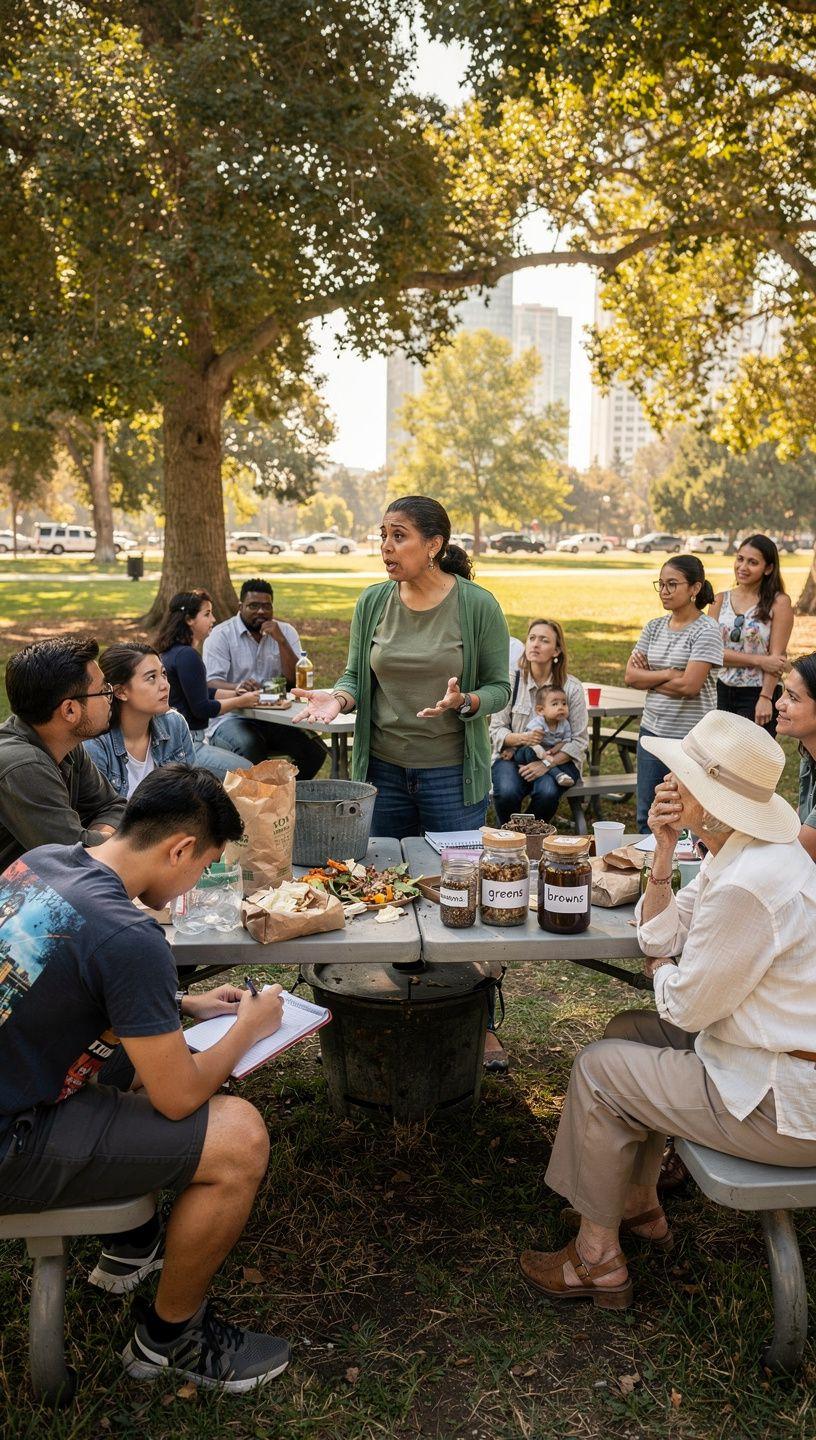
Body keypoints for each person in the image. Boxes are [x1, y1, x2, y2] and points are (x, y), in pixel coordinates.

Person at [0, 765, 291, 1392]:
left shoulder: (46, 860)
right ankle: (168, 1341)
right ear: (180, 849)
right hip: (10, 1143)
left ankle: (132, 1241)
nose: (194, 883)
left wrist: (180, 1005)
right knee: (238, 1136)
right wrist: (249, 1027)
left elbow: (52, 972)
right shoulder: (131, 936)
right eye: (203, 865)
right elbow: (181, 1095)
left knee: (145, 1055)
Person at [520, 710, 816, 1309]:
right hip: (763, 1061)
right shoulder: (738, 852)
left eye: (683, 776)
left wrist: (663, 973)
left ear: (709, 799)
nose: (668, 783)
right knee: (629, 1030)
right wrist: (661, 851)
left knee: (601, 1069)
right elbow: (664, 936)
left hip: (785, 1101)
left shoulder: (748, 884)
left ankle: (597, 1260)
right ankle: (638, 1206)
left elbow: (682, 1006)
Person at [292, 495, 510, 837]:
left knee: (454, 881)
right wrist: (338, 699)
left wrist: (465, 701)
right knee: (383, 881)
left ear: (433, 545)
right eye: (383, 536)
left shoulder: (478, 605)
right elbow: (355, 676)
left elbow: (500, 688)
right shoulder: (372, 601)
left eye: (399, 536)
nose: (386, 547)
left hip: (452, 777)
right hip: (383, 773)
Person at [0, 636, 126, 872]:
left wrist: (94, 839)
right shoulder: (24, 765)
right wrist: (105, 843)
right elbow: (72, 859)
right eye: (103, 691)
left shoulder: (65, 741)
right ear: (69, 710)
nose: (111, 698)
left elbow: (113, 806)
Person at [624, 555, 723, 831]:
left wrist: (649, 679)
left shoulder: (707, 630)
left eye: (672, 584)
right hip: (652, 733)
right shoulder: (653, 627)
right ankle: (650, 872)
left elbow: (690, 686)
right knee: (648, 814)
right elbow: (631, 676)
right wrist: (669, 674)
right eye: (661, 584)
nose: (664, 591)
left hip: (689, 739)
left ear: (694, 588)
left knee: (686, 816)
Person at [202, 578, 327, 779]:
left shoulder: (285, 632)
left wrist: (281, 641)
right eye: (253, 606)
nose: (261, 611)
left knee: (315, 751)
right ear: (240, 606)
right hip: (232, 717)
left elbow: (296, 681)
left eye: (266, 606)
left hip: (275, 718)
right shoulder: (221, 635)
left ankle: (284, 797)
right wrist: (239, 687)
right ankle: (261, 805)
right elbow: (210, 683)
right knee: (250, 748)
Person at [490, 619, 588, 824]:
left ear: (556, 650)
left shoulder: (571, 688)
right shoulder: (510, 681)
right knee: (507, 791)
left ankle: (528, 836)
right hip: (514, 755)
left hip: (559, 760)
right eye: (532, 638)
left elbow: (579, 741)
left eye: (544, 640)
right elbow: (496, 730)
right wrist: (524, 738)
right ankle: (508, 839)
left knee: (547, 791)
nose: (535, 644)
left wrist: (546, 763)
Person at [154, 590, 258, 781]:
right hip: (188, 747)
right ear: (189, 619)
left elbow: (196, 691)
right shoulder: (187, 655)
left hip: (175, 743)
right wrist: (240, 701)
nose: (214, 619)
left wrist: (234, 692)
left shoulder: (171, 652)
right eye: (207, 613)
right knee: (251, 773)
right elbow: (201, 708)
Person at [84, 643, 196, 797]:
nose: (165, 685)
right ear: (120, 692)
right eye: (151, 677)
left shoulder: (175, 724)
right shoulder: (96, 744)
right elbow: (97, 813)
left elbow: (191, 794)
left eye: (163, 674)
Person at [709, 534, 792, 734]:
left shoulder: (779, 603)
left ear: (768, 568)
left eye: (752, 562)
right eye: (740, 559)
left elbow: (777, 659)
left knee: (749, 762)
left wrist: (765, 698)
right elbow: (711, 654)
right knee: (718, 759)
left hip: (758, 694)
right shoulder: (719, 600)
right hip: (720, 691)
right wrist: (759, 660)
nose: (743, 567)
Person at [775, 652, 816, 860]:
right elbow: (796, 824)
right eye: (783, 693)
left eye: (792, 698)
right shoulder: (809, 758)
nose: (778, 704)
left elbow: (799, 853)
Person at [498, 687, 576, 788]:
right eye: (555, 704)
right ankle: (558, 774)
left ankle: (536, 768)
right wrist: (547, 759)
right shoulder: (537, 723)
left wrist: (553, 750)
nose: (561, 707)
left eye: (564, 703)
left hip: (546, 754)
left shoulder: (564, 724)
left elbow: (565, 741)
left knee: (546, 762)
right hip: (527, 751)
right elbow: (531, 743)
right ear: (540, 710)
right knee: (531, 751)